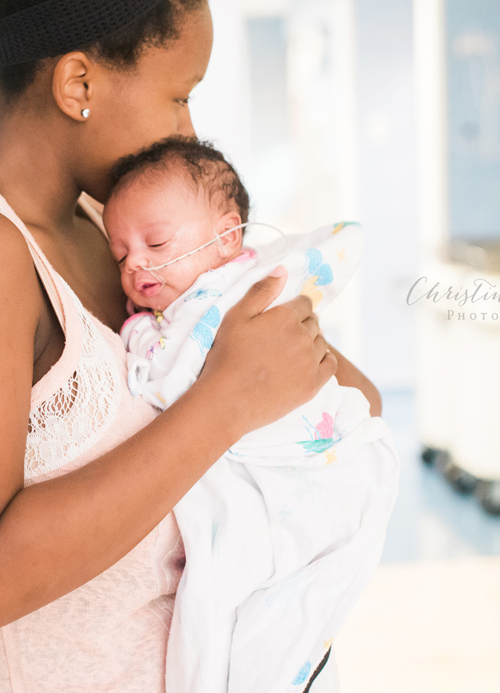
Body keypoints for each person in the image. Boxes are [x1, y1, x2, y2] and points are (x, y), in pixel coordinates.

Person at [0, 0, 383, 691]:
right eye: (179, 95)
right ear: (78, 82)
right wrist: (227, 401)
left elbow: (345, 395)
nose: (188, 125)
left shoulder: (107, 232)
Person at [102, 136, 400, 693]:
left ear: (228, 235)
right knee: (243, 621)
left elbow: (177, 379)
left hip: (296, 463)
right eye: (120, 255)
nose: (135, 261)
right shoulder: (171, 312)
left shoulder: (244, 289)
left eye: (157, 241)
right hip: (238, 475)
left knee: (263, 610)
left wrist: (149, 346)